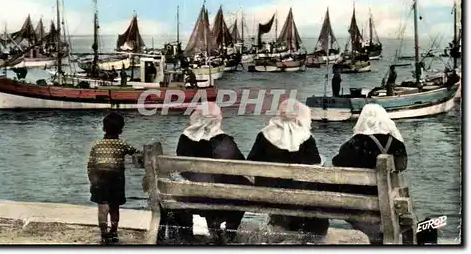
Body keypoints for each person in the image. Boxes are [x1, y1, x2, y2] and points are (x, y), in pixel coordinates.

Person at [247, 99, 329, 244]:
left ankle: (280, 224)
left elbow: (251, 162)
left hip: (267, 194)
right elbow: (315, 163)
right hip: (299, 196)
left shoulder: (264, 135)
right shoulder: (306, 137)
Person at [167, 102, 250, 244]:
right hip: (222, 197)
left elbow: (182, 168)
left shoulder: (185, 138)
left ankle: (191, 235)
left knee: (206, 184)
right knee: (241, 191)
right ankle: (228, 233)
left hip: (192, 195)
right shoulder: (224, 140)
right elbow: (241, 165)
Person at [331, 104, 407, 245]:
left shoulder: (355, 142)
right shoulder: (397, 143)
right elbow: (402, 166)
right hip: (388, 200)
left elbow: (337, 162)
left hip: (361, 201)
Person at [87, 112, 143, 244]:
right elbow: (138, 154)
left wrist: (91, 179)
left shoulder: (96, 145)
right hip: (116, 178)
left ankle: (103, 233)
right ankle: (114, 231)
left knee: (102, 207)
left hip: (99, 177)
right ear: (121, 129)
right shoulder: (123, 145)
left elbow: (90, 164)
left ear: (103, 128)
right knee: (114, 207)